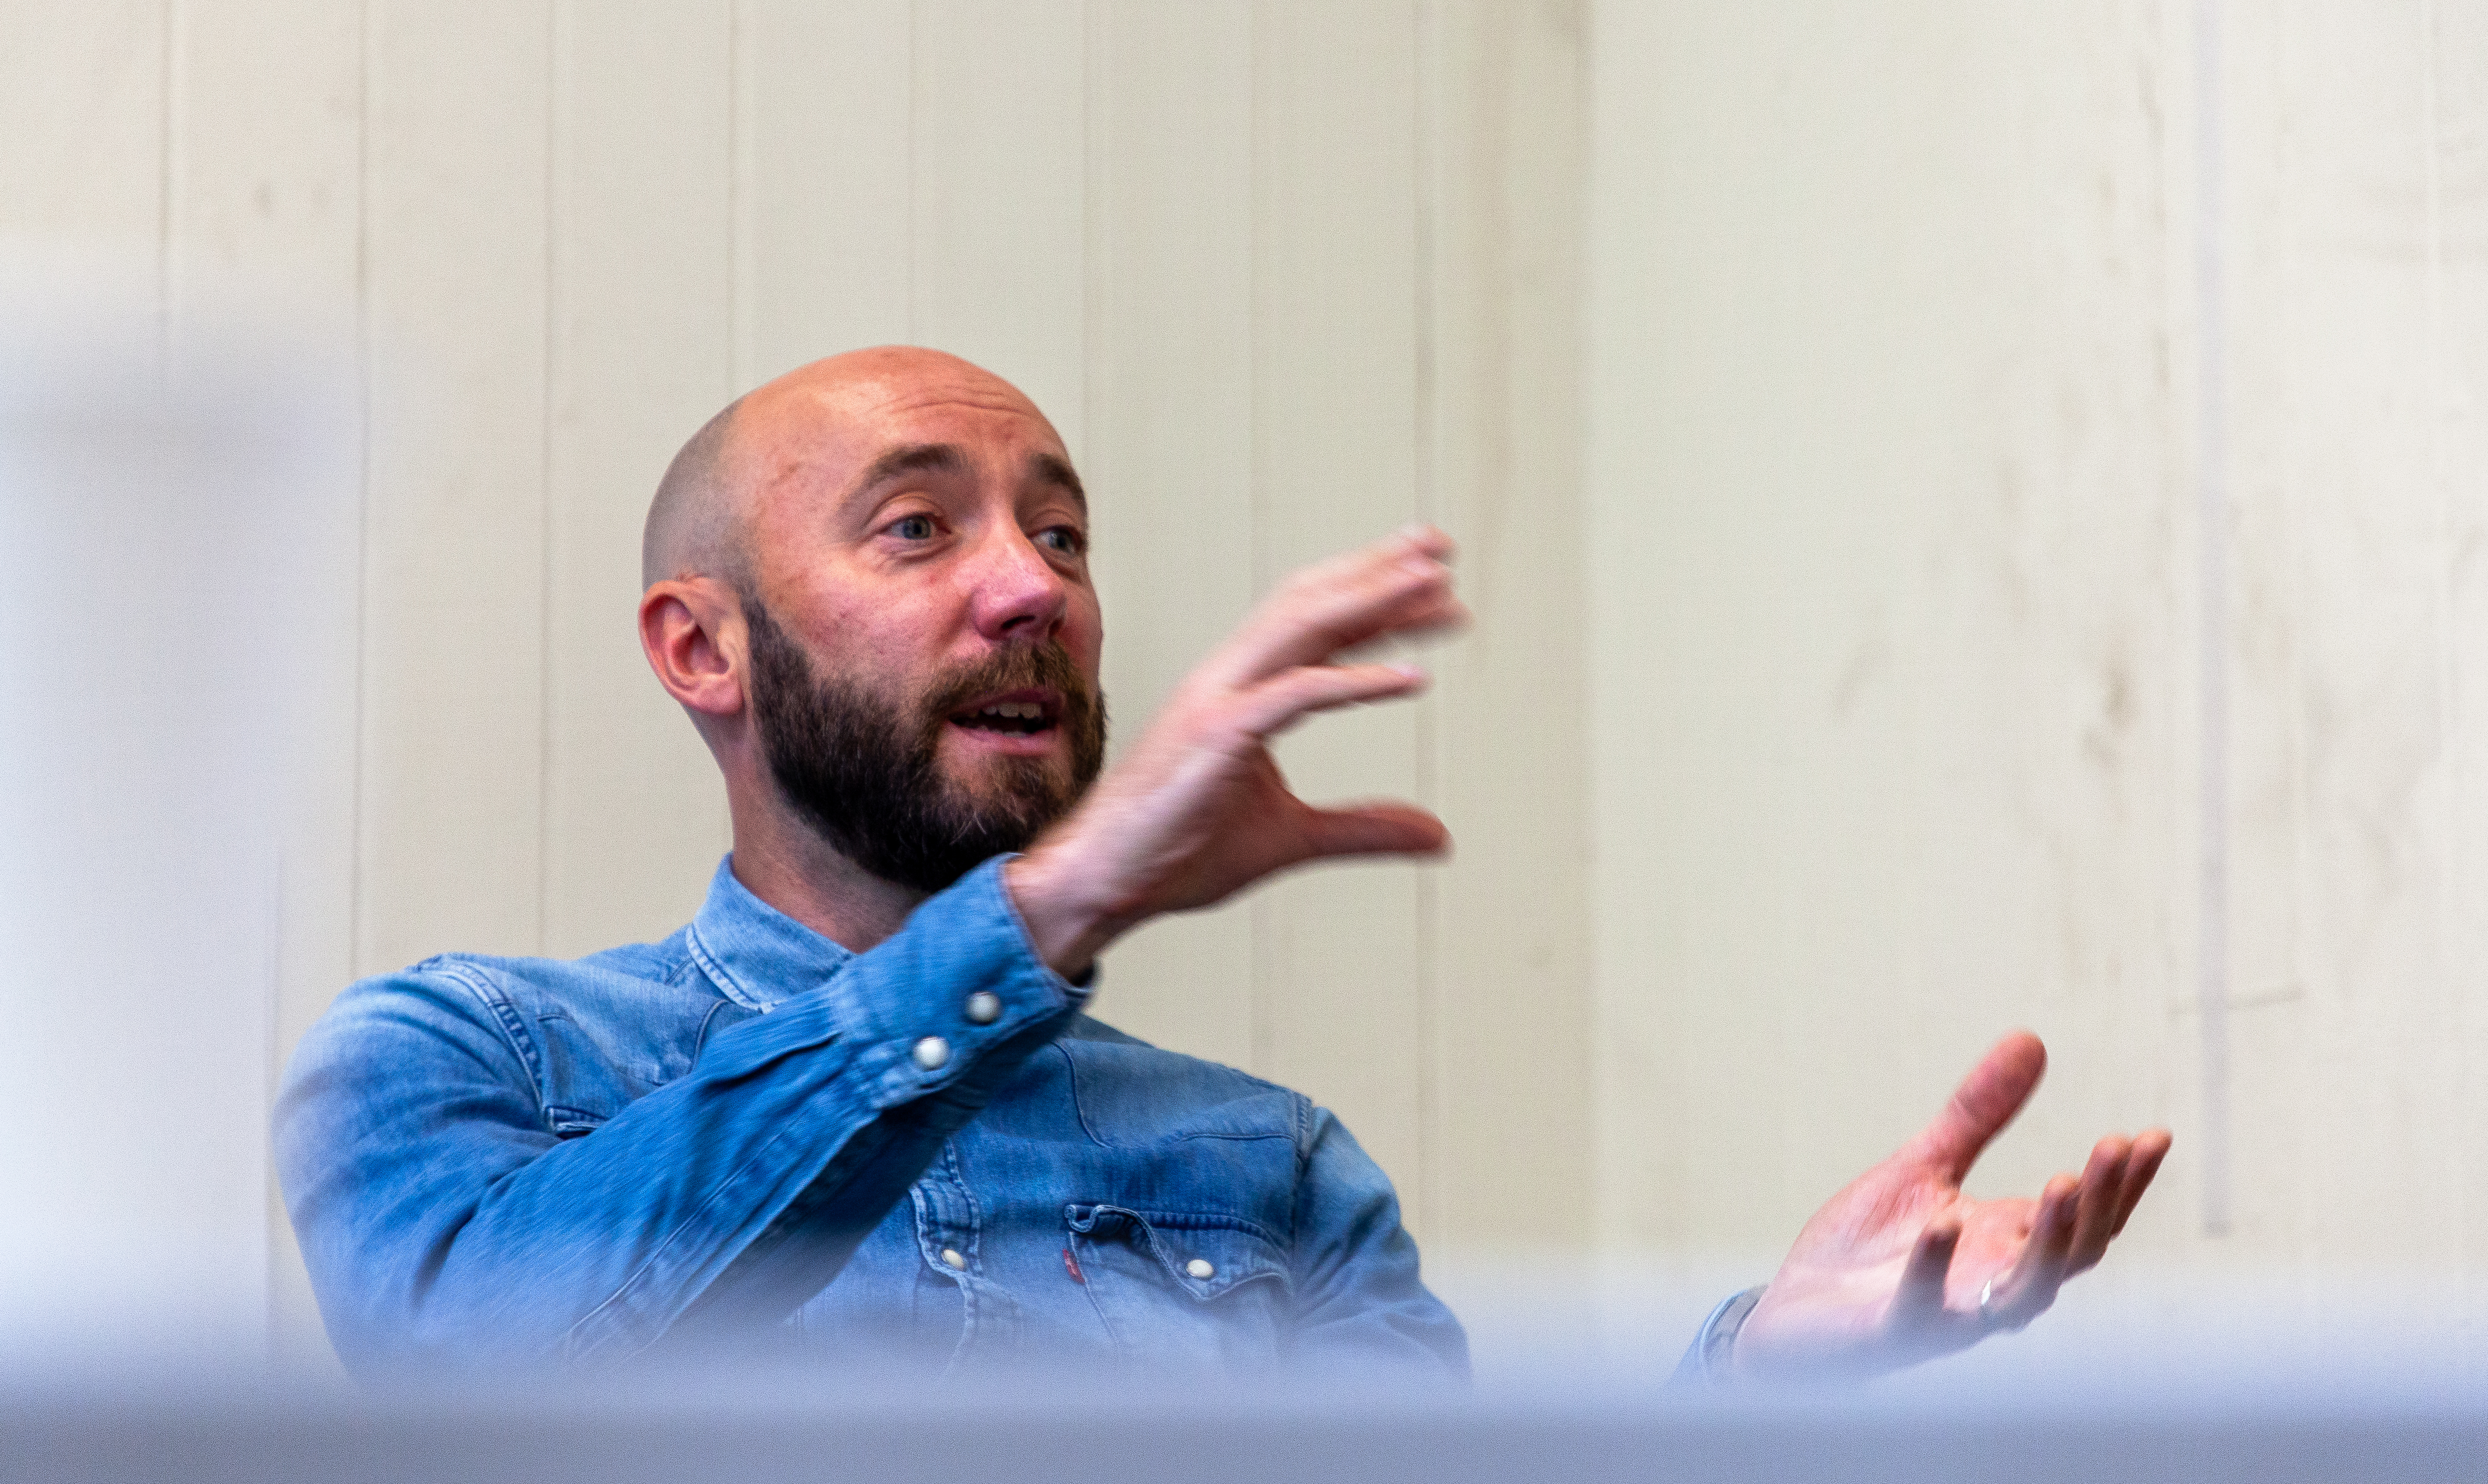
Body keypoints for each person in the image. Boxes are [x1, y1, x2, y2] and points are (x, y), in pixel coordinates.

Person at [276, 347, 2170, 1383]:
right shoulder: (470, 1059)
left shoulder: (1265, 1168)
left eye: (1064, 532)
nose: (1033, 585)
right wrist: (1050, 912)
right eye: (919, 524)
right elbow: (490, 1381)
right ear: (703, 646)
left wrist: (1760, 1372)